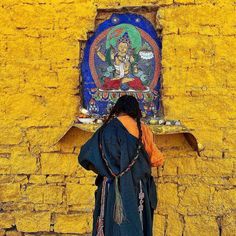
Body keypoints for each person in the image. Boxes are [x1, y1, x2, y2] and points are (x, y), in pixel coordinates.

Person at [78, 95, 165, 236]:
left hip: (110, 188)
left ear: (117, 109)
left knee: (110, 227)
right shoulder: (143, 130)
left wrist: (106, 170)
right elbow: (157, 160)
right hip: (137, 189)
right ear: (135, 111)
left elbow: (85, 157)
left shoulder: (106, 130)